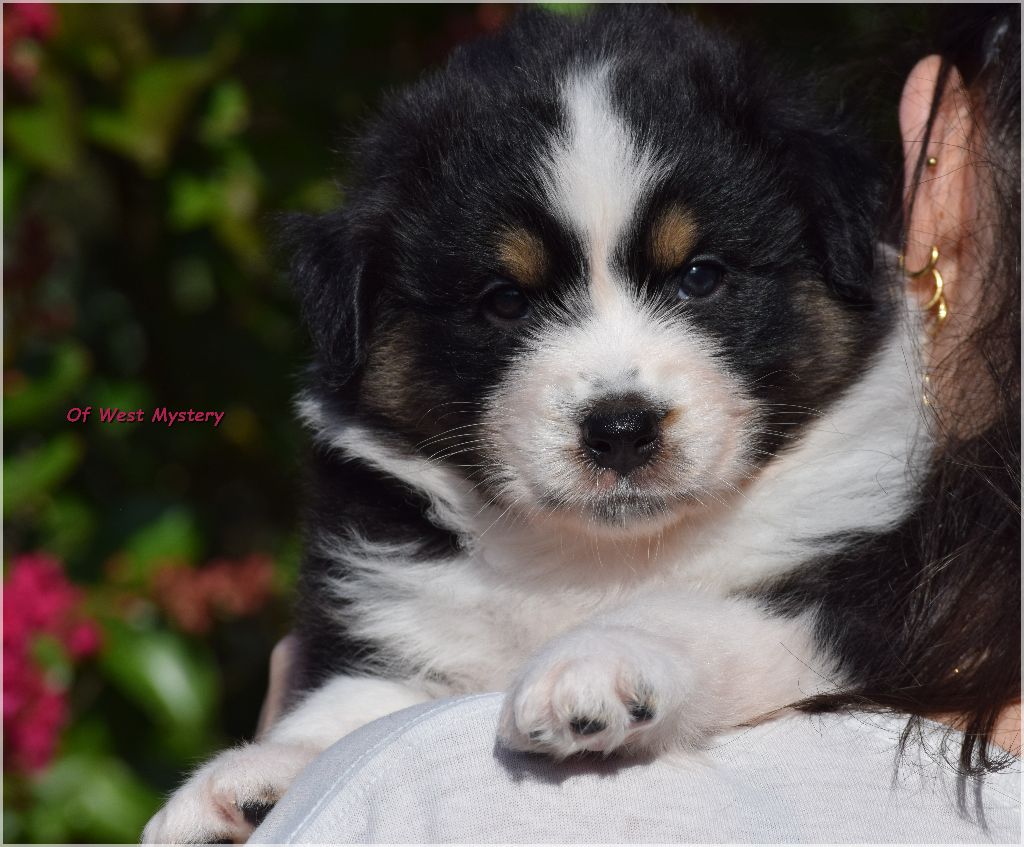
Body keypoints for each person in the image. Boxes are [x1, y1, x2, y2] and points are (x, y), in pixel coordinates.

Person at [251, 6, 1020, 841]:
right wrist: (314, 752)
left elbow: (834, 640)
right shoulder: (393, 573)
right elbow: (381, 684)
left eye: (700, 277)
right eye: (505, 301)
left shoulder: (894, 516)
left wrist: (667, 648)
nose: (619, 402)